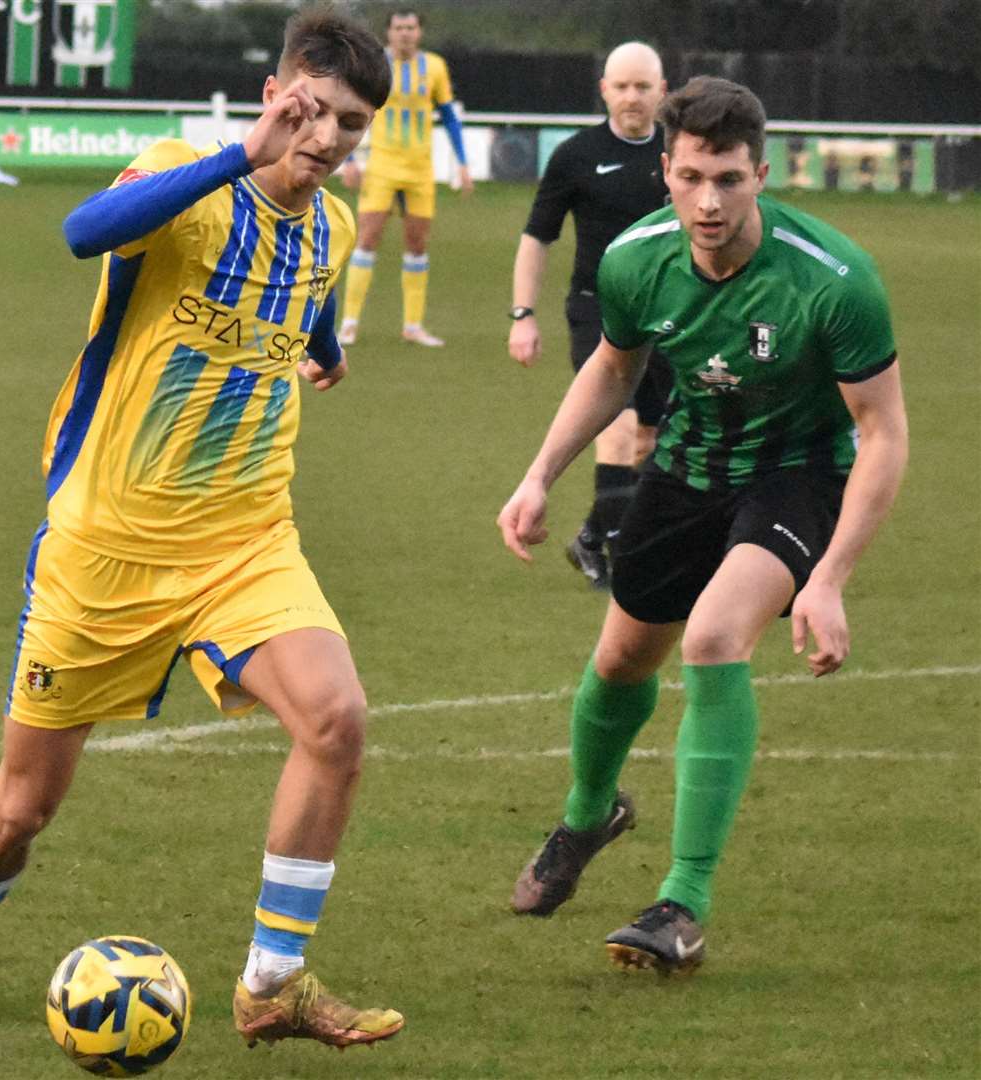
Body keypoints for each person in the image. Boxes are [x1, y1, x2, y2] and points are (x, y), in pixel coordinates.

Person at [0, 8, 405, 1051]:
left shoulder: (336, 227)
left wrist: (328, 346)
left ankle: (272, 980)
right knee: (20, 809)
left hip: (247, 539)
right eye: (310, 113)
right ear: (275, 94)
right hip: (104, 548)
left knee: (337, 720)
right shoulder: (186, 172)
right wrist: (240, 157)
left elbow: (310, 296)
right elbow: (84, 232)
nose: (326, 140)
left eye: (348, 125)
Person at [498, 76, 908, 974]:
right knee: (617, 661)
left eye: (727, 178)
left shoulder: (833, 280)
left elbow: (882, 431)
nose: (708, 199)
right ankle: (586, 816)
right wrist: (538, 476)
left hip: (799, 475)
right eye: (689, 177)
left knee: (714, 639)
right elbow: (613, 370)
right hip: (687, 466)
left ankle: (681, 902)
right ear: (667, 175)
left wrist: (830, 577)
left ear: (761, 173)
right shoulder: (636, 259)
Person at [508, 41, 671, 590]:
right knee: (619, 431)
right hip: (596, 309)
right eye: (622, 86)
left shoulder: (678, 158)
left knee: (653, 441)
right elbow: (537, 238)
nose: (632, 97)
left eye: (643, 87)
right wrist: (523, 314)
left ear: (661, 92)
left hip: (668, 314)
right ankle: (629, 564)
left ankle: (592, 538)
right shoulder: (576, 155)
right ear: (604, 90)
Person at [336, 7, 473, 349]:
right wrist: (349, 158)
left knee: (417, 244)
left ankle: (413, 326)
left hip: (419, 169)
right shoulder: (373, 63)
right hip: (382, 165)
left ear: (420, 32)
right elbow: (351, 108)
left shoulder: (435, 67)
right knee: (367, 238)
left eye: (411, 28)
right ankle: (349, 324)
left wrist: (463, 163)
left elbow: (449, 116)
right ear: (389, 32)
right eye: (399, 28)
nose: (405, 34)